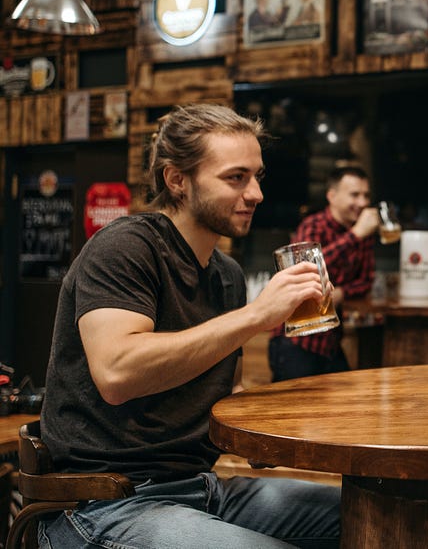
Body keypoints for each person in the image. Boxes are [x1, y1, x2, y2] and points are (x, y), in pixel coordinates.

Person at [39, 104, 342, 548]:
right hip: (102, 503)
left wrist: (284, 430)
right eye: (235, 178)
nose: (256, 193)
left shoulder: (226, 274)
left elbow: (226, 394)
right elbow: (118, 374)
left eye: (257, 176)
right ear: (177, 180)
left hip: (199, 487)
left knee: (369, 512)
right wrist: (258, 315)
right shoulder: (125, 247)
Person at [268, 165, 379, 381]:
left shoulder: (362, 230)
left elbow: (366, 281)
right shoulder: (314, 225)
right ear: (332, 196)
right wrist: (355, 235)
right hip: (296, 341)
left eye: (366, 195)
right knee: (292, 411)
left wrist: (342, 294)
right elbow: (303, 268)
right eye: (355, 195)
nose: (363, 203)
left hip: (330, 341)